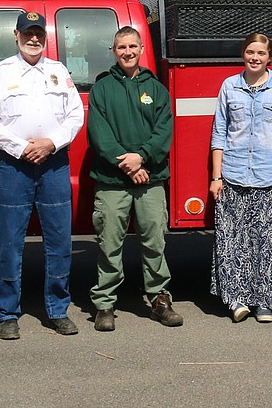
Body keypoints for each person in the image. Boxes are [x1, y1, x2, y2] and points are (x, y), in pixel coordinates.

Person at [0, 11, 84, 340]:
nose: (33, 38)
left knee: (59, 243)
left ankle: (58, 309)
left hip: (53, 163)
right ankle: (7, 313)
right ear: (16, 35)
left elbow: (75, 113)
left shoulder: (58, 71)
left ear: (45, 36)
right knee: (9, 244)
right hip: (15, 165)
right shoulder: (2, 72)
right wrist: (22, 147)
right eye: (27, 33)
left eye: (38, 33)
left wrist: (52, 142)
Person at [87, 26, 182, 332]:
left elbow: (164, 131)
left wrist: (141, 157)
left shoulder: (155, 89)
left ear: (141, 49)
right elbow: (99, 135)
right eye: (121, 47)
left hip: (150, 180)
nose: (127, 52)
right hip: (112, 181)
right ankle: (104, 304)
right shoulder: (102, 88)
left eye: (132, 46)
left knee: (155, 241)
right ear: (113, 51)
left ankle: (159, 300)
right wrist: (128, 164)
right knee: (108, 243)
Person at [209, 33, 272, 323]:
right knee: (232, 240)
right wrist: (216, 176)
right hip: (232, 174)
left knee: (266, 241)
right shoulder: (229, 86)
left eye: (260, 53)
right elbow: (219, 133)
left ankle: (262, 302)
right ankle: (235, 300)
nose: (254, 58)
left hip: (268, 175)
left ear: (269, 57)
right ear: (242, 55)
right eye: (250, 52)